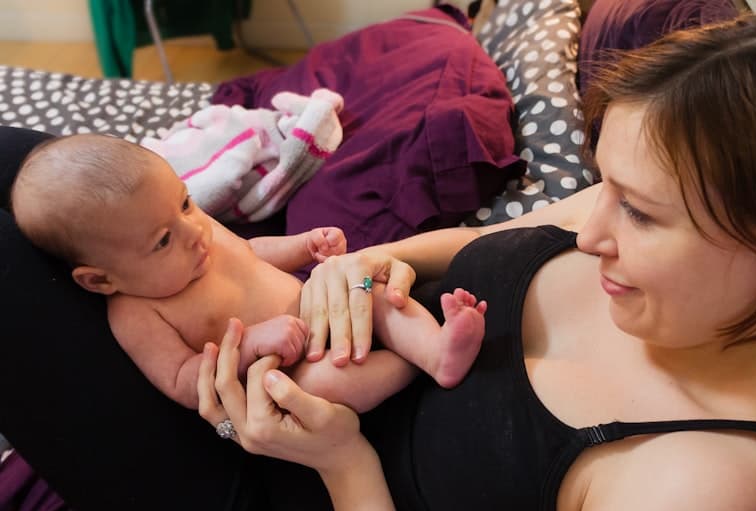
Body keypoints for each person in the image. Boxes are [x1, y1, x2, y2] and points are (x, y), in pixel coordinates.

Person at [0, 6, 756, 511]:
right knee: (39, 181)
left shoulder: (702, 472)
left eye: (640, 213)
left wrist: (346, 469)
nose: (589, 230)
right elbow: (454, 247)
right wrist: (358, 267)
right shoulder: (652, 229)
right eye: (605, 186)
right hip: (283, 372)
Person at [9, 134, 487, 412]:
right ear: (101, 279)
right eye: (162, 241)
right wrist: (252, 344)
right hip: (292, 368)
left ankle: (435, 352)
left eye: (185, 202)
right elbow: (184, 380)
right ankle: (411, 369)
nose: (195, 231)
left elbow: (251, 252)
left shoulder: (192, 230)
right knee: (321, 388)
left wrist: (302, 246)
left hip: (322, 306)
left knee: (375, 292)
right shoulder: (135, 314)